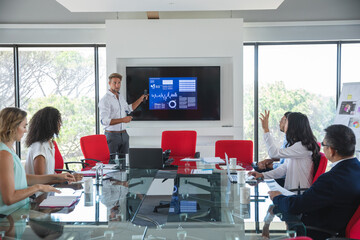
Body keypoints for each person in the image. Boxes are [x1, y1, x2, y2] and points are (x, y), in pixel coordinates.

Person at [269, 124, 360, 239]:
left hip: (320, 231)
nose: (322, 147)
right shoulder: (356, 170)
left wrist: (277, 197)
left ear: (331, 150)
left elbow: (297, 206)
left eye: (323, 144)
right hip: (339, 226)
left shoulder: (330, 179)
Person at [0, 107, 75, 215]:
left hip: (19, 211)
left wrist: (57, 177)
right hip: (9, 217)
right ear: (13, 127)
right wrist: (38, 187)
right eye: (24, 126)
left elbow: (21, 178)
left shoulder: (10, 150)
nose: (26, 130)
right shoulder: (4, 154)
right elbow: (9, 198)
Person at [249, 110, 320, 191]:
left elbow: (274, 154)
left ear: (293, 126)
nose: (283, 123)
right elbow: (284, 169)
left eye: (286, 122)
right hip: (289, 191)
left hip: (296, 193)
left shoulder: (302, 147)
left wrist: (266, 130)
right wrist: (262, 175)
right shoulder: (296, 145)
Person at [24, 107, 82, 181]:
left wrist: (69, 177)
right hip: (39, 192)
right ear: (50, 124)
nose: (60, 125)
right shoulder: (39, 146)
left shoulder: (50, 144)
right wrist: (65, 180)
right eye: (58, 122)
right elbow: (40, 179)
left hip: (49, 191)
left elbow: (50, 174)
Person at [99, 73, 148, 158]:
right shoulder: (105, 100)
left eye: (119, 82)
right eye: (114, 83)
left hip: (124, 135)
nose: (117, 85)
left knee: (124, 164)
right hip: (112, 136)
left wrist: (141, 99)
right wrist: (122, 120)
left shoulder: (120, 97)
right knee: (111, 164)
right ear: (109, 83)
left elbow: (129, 109)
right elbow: (104, 121)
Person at [254, 111, 291, 186]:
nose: (279, 122)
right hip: (282, 172)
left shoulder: (294, 142)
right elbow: (281, 156)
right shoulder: (287, 138)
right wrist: (268, 161)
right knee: (256, 166)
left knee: (256, 170)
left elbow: (284, 168)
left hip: (284, 178)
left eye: (282, 120)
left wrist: (266, 129)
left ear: (288, 123)